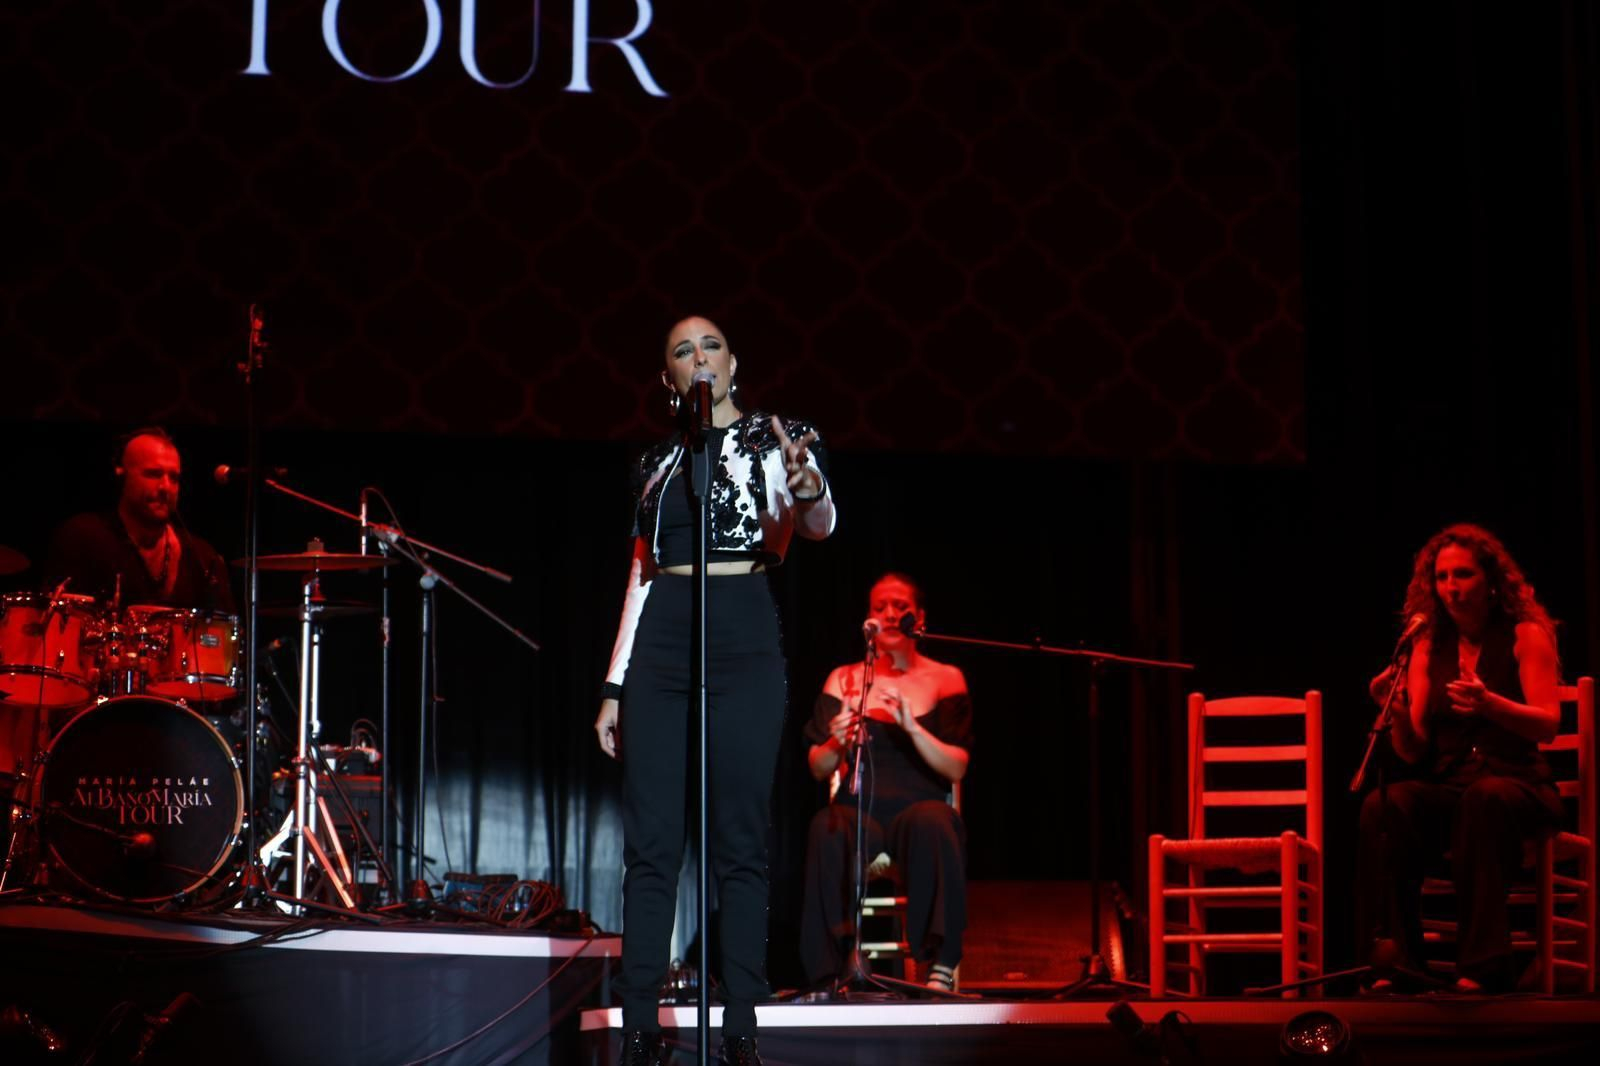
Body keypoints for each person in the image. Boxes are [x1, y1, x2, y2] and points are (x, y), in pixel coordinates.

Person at [594, 315, 835, 1066]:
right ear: (668, 378)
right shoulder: (657, 462)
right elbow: (640, 578)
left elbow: (819, 522)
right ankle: (639, 1026)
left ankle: (739, 1028)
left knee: (739, 839)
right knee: (652, 843)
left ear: (734, 362)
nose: (699, 357)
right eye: (681, 350)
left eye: (711, 345)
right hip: (664, 635)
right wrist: (614, 685)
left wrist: (809, 484)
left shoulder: (780, 437)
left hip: (743, 630)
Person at [1356, 523, 1562, 992]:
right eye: (1443, 576)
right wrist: (1396, 710)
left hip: (1519, 784)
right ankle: (1398, 965)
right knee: (1384, 806)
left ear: (1490, 580)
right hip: (1454, 787)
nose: (1452, 587)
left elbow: (1548, 724)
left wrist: (1491, 704)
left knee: (1485, 799)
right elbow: (1414, 749)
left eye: (1463, 574)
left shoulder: (1524, 634)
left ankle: (1483, 968)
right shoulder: (1428, 644)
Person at [799, 573, 972, 992]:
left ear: (920, 618)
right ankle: (830, 971)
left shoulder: (945, 678)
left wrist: (912, 727)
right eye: (880, 607)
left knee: (936, 821)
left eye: (900, 606)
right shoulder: (844, 680)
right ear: (868, 619)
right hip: (861, 809)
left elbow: (956, 768)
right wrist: (836, 740)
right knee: (828, 826)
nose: (890, 614)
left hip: (918, 806)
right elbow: (819, 769)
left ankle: (940, 966)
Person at [43, 427, 234, 613]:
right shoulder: (82, 538)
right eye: (153, 474)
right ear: (122, 475)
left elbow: (223, 636)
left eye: (174, 478)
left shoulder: (202, 557)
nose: (165, 487)